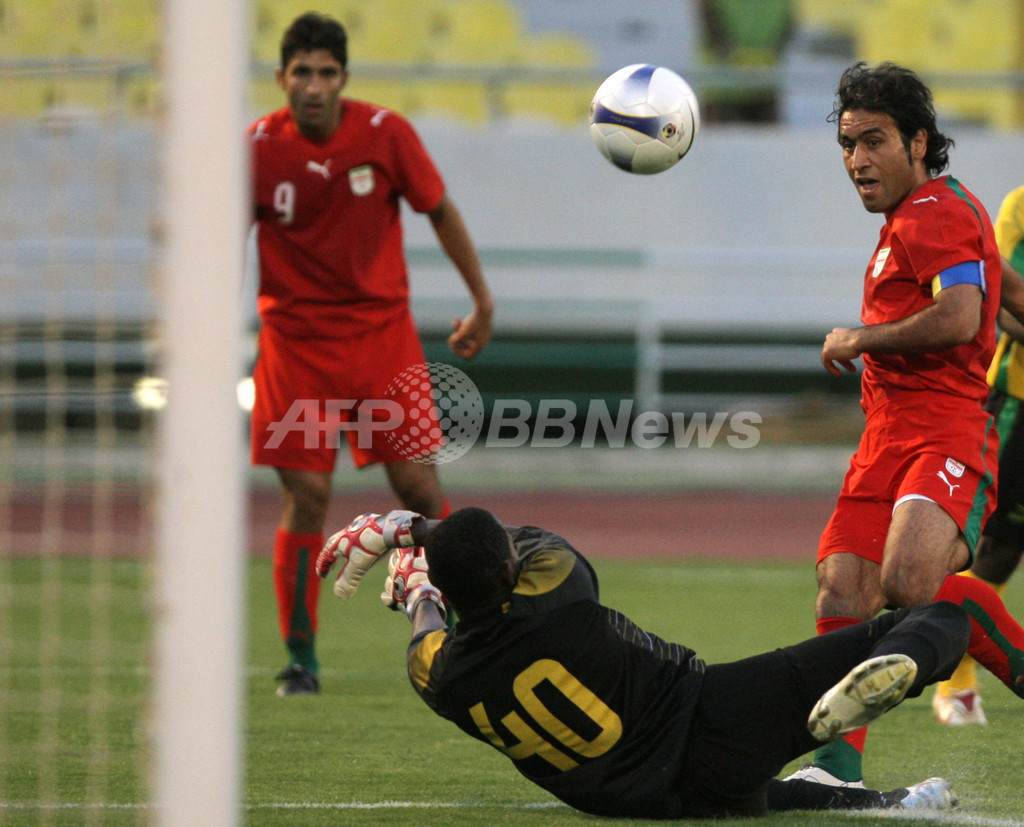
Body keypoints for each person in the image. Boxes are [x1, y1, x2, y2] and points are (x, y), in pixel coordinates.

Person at [315, 507, 967, 818]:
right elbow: (523, 547)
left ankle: (893, 800)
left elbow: (425, 625)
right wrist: (413, 526)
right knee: (938, 618)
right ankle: (902, 662)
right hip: (707, 726)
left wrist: (421, 588)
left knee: (784, 796)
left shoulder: (438, 674)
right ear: (510, 569)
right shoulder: (556, 589)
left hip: (629, 797)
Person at [248, 12, 494, 696]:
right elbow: (220, 234)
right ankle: (301, 656)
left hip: (380, 339)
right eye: (302, 72)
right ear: (282, 79)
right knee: (309, 497)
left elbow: (439, 209)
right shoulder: (257, 149)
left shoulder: (386, 135)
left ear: (344, 79)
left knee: (418, 490)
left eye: (327, 73)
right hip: (295, 346)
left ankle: (467, 624)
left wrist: (481, 300)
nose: (315, 85)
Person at [794, 61, 1024, 786]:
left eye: (874, 141)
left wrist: (861, 338)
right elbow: (1004, 290)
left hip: (946, 428)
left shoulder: (939, 210)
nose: (857, 159)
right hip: (884, 433)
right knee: (842, 592)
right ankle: (837, 770)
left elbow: (961, 318)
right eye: (848, 143)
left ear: (919, 141)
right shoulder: (930, 216)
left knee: (911, 581)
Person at [933, 185, 1024, 724]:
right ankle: (954, 678)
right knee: (997, 548)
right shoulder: (1019, 207)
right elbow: (1006, 302)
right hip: (1019, 402)